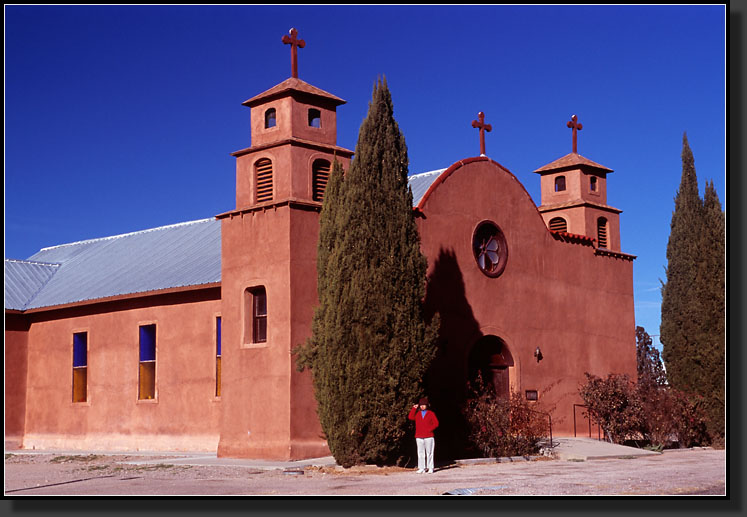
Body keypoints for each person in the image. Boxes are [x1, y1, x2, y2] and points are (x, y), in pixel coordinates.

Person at [408, 397, 439, 474]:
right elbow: (410, 417)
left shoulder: (431, 413)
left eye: (424, 405)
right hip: (419, 436)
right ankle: (422, 468)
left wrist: (429, 429)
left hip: (429, 436)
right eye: (421, 405)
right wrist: (414, 409)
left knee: (429, 453)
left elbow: (436, 423)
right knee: (420, 453)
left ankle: (430, 467)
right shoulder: (418, 414)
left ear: (427, 405)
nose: (422, 406)